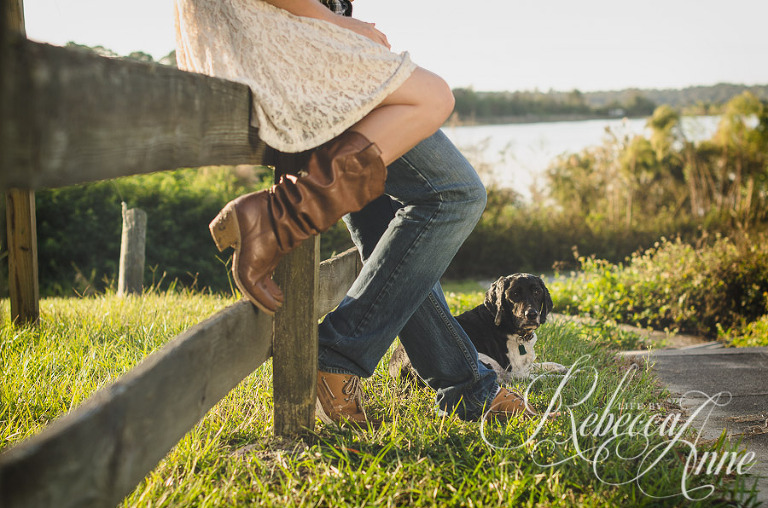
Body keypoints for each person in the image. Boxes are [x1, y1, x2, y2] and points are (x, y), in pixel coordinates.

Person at [174, 0, 536, 427]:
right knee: (452, 189)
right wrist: (331, 21)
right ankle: (282, 225)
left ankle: (466, 387)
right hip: (287, 38)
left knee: (386, 224)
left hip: (288, 36)